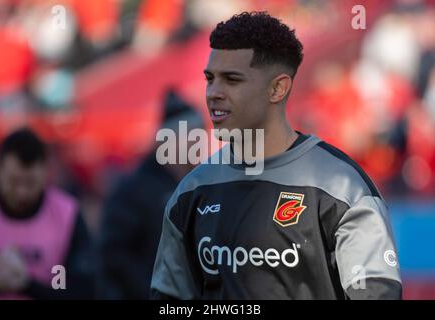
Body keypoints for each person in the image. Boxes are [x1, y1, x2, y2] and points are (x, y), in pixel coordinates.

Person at [150, 12, 402, 300]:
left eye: (232, 80)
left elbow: (377, 294)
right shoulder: (191, 192)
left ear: (277, 88)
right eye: (210, 79)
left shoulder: (342, 186)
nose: (213, 93)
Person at [97, 90, 205, 299]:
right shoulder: (134, 190)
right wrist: (155, 291)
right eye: (196, 135)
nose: (201, 144)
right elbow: (113, 255)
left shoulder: (194, 186)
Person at [0, 128, 94, 299]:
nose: (21, 192)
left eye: (30, 182)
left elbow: (81, 289)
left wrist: (28, 285)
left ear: (46, 173)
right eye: (13, 181)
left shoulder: (67, 214)